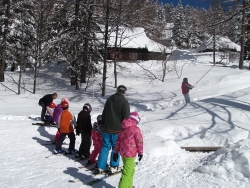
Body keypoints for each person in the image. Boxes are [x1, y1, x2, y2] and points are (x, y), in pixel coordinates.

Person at [94, 85, 130, 175]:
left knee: (105, 147)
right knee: (116, 148)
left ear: (117, 90)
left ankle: (100, 166)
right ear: (124, 92)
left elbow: (104, 112)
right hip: (117, 130)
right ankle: (114, 166)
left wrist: (102, 123)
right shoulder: (124, 102)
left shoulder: (109, 99)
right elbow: (126, 118)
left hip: (106, 128)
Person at [113, 112, 143, 188]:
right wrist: (140, 152)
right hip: (130, 154)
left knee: (131, 170)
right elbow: (139, 141)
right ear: (135, 120)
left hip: (123, 153)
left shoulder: (122, 128)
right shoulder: (136, 129)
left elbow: (118, 141)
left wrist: (116, 152)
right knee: (126, 173)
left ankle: (129, 186)